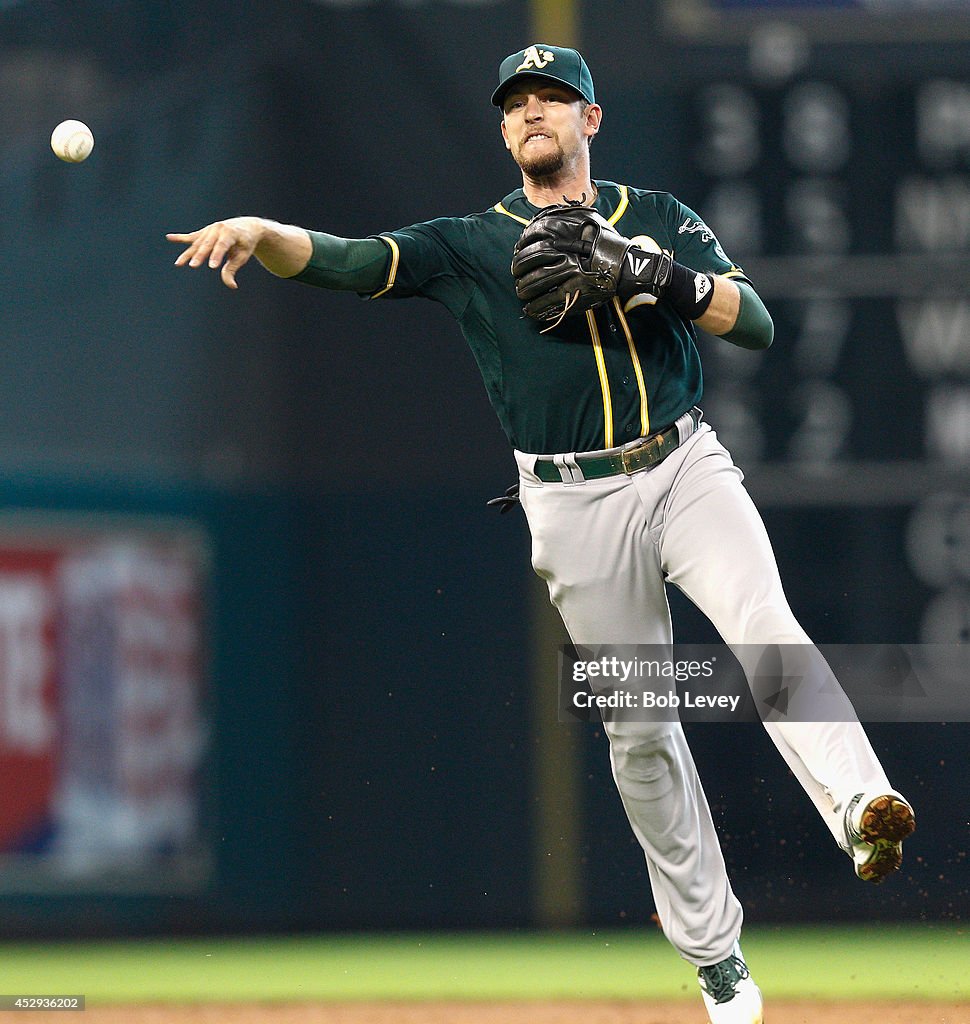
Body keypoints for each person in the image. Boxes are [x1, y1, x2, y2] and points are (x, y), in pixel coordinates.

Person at [167, 44, 915, 1024]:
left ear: (590, 120)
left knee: (762, 628)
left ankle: (862, 806)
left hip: (685, 466)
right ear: (503, 128)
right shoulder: (467, 242)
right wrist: (263, 230)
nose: (532, 112)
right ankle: (719, 962)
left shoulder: (654, 218)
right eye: (516, 102)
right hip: (569, 502)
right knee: (639, 731)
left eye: (552, 98)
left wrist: (658, 275)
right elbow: (352, 264)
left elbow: (758, 324)